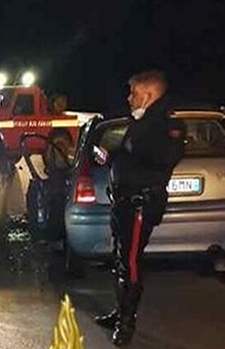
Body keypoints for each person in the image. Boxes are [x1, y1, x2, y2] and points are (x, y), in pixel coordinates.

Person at [93, 70, 185, 346]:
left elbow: (160, 158)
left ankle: (127, 323)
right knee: (120, 258)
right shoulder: (142, 121)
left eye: (133, 93)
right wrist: (110, 152)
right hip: (124, 202)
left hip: (140, 204)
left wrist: (126, 143)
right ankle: (120, 310)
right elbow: (126, 151)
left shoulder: (165, 124)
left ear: (149, 95)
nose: (129, 98)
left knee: (131, 263)